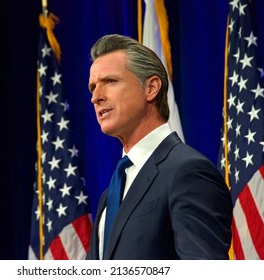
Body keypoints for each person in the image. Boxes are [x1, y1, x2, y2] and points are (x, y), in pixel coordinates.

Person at [86, 34, 232, 260]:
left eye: (110, 82)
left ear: (151, 88)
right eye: (93, 87)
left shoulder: (188, 172)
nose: (95, 97)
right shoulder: (111, 192)